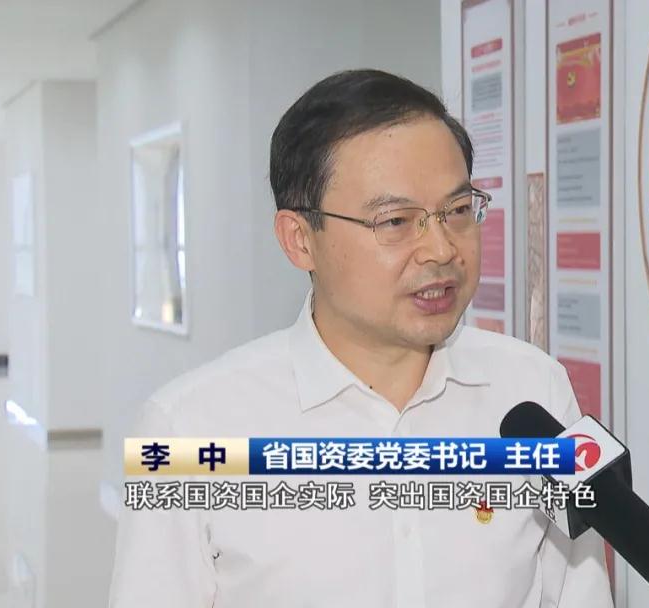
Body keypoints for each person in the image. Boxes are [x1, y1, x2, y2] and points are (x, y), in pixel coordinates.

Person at [108, 69, 613, 607]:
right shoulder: (186, 430)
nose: (442, 249)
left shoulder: (534, 390)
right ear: (300, 239)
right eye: (395, 221)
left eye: (458, 211)